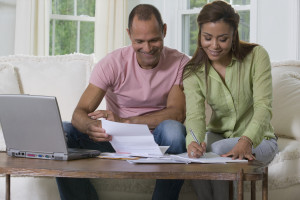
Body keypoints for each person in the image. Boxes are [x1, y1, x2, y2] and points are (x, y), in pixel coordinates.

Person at [56, 4, 190, 200]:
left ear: (165, 31)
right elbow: (79, 113)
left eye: (154, 40)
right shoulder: (113, 63)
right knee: (63, 132)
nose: (147, 48)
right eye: (139, 41)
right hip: (115, 140)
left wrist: (125, 121)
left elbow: (176, 113)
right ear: (129, 35)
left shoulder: (180, 63)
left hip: (157, 140)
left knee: (174, 131)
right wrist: (92, 126)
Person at [183, 1, 278, 200]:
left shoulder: (256, 56)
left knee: (217, 151)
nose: (214, 46)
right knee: (192, 158)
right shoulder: (193, 71)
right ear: (200, 35)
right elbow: (195, 116)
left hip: (260, 140)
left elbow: (263, 107)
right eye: (207, 38)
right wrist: (193, 143)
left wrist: (247, 140)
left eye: (223, 39)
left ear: (234, 35)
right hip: (219, 135)